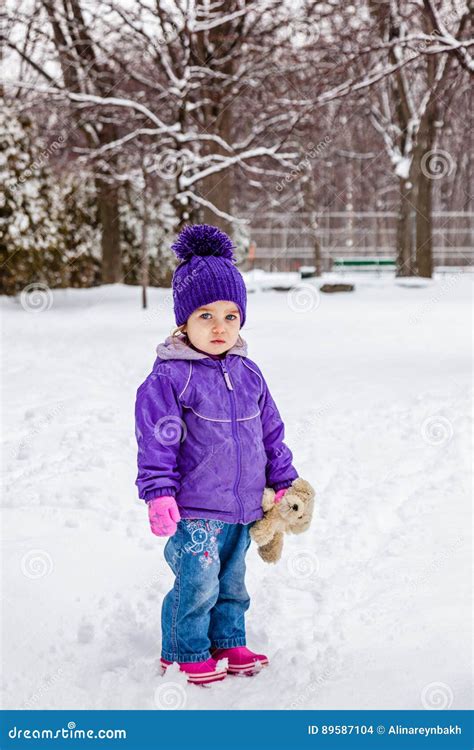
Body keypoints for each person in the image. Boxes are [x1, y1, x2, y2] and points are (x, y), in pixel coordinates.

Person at [135, 224, 299, 685]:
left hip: (244, 506)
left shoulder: (250, 374)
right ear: (183, 321)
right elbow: (156, 439)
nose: (219, 327)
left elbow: (271, 433)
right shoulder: (169, 378)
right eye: (205, 315)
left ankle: (228, 640)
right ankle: (182, 649)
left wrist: (283, 480)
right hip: (196, 509)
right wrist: (158, 493)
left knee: (232, 583)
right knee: (197, 583)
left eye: (230, 316)